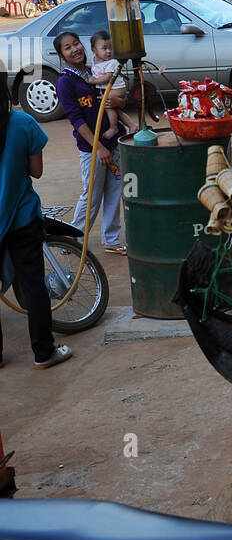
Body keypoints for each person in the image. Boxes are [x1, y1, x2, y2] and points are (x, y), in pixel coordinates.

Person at [0, 68, 73, 369]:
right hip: (22, 219)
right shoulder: (23, 123)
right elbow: (37, 171)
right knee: (33, 285)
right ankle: (44, 353)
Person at [54, 32, 125, 255]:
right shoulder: (66, 81)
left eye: (76, 43)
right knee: (92, 196)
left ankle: (111, 239)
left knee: (114, 192)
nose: (74, 49)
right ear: (61, 54)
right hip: (93, 150)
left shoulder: (95, 71)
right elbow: (76, 120)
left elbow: (118, 99)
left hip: (114, 144)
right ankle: (72, 240)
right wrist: (98, 147)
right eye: (67, 47)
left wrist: (119, 99)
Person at [89, 31, 136, 138]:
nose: (109, 51)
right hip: (109, 89)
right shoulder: (94, 60)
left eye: (111, 47)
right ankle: (132, 125)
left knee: (107, 106)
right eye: (104, 48)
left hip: (116, 88)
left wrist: (93, 81)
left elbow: (107, 78)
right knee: (116, 109)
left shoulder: (112, 62)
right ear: (94, 50)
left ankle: (113, 127)